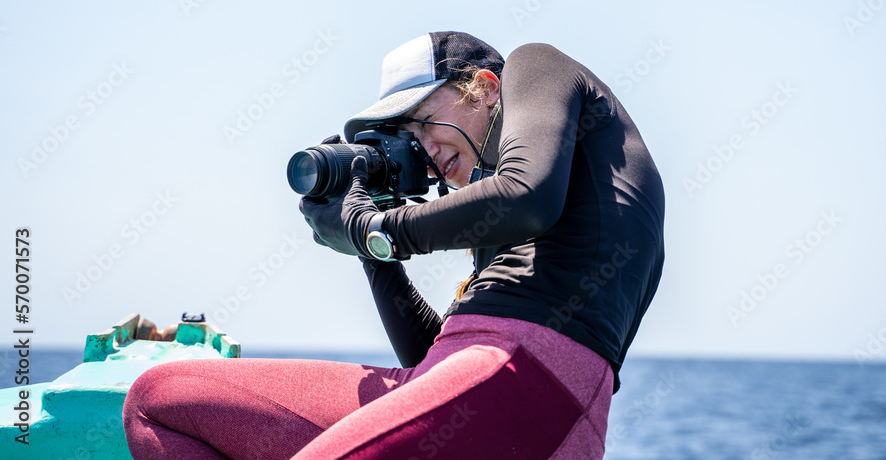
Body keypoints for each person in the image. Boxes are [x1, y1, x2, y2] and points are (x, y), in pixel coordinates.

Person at [123, 31, 665, 459]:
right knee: (161, 400)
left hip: (522, 376)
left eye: (426, 122)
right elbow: (428, 361)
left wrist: (376, 228)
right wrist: (371, 250)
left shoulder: (536, 65)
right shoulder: (511, 228)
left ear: (486, 87)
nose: (425, 151)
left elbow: (527, 197)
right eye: (409, 139)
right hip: (495, 391)